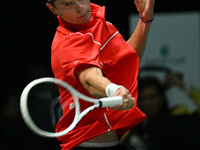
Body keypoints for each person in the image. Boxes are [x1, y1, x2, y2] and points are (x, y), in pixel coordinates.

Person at [45, 0, 155, 149]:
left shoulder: (99, 22)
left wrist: (144, 20)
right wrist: (113, 90)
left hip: (114, 143)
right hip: (85, 145)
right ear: (53, 8)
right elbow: (90, 78)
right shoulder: (67, 43)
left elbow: (128, 59)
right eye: (68, 4)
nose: (80, 7)